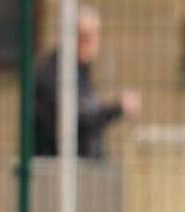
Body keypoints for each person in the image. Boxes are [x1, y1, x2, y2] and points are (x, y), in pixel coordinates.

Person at [34, 3, 140, 158]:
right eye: (86, 37)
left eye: (96, 35)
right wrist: (117, 108)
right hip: (57, 168)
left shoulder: (80, 72)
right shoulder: (52, 75)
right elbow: (75, 121)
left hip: (86, 169)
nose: (95, 44)